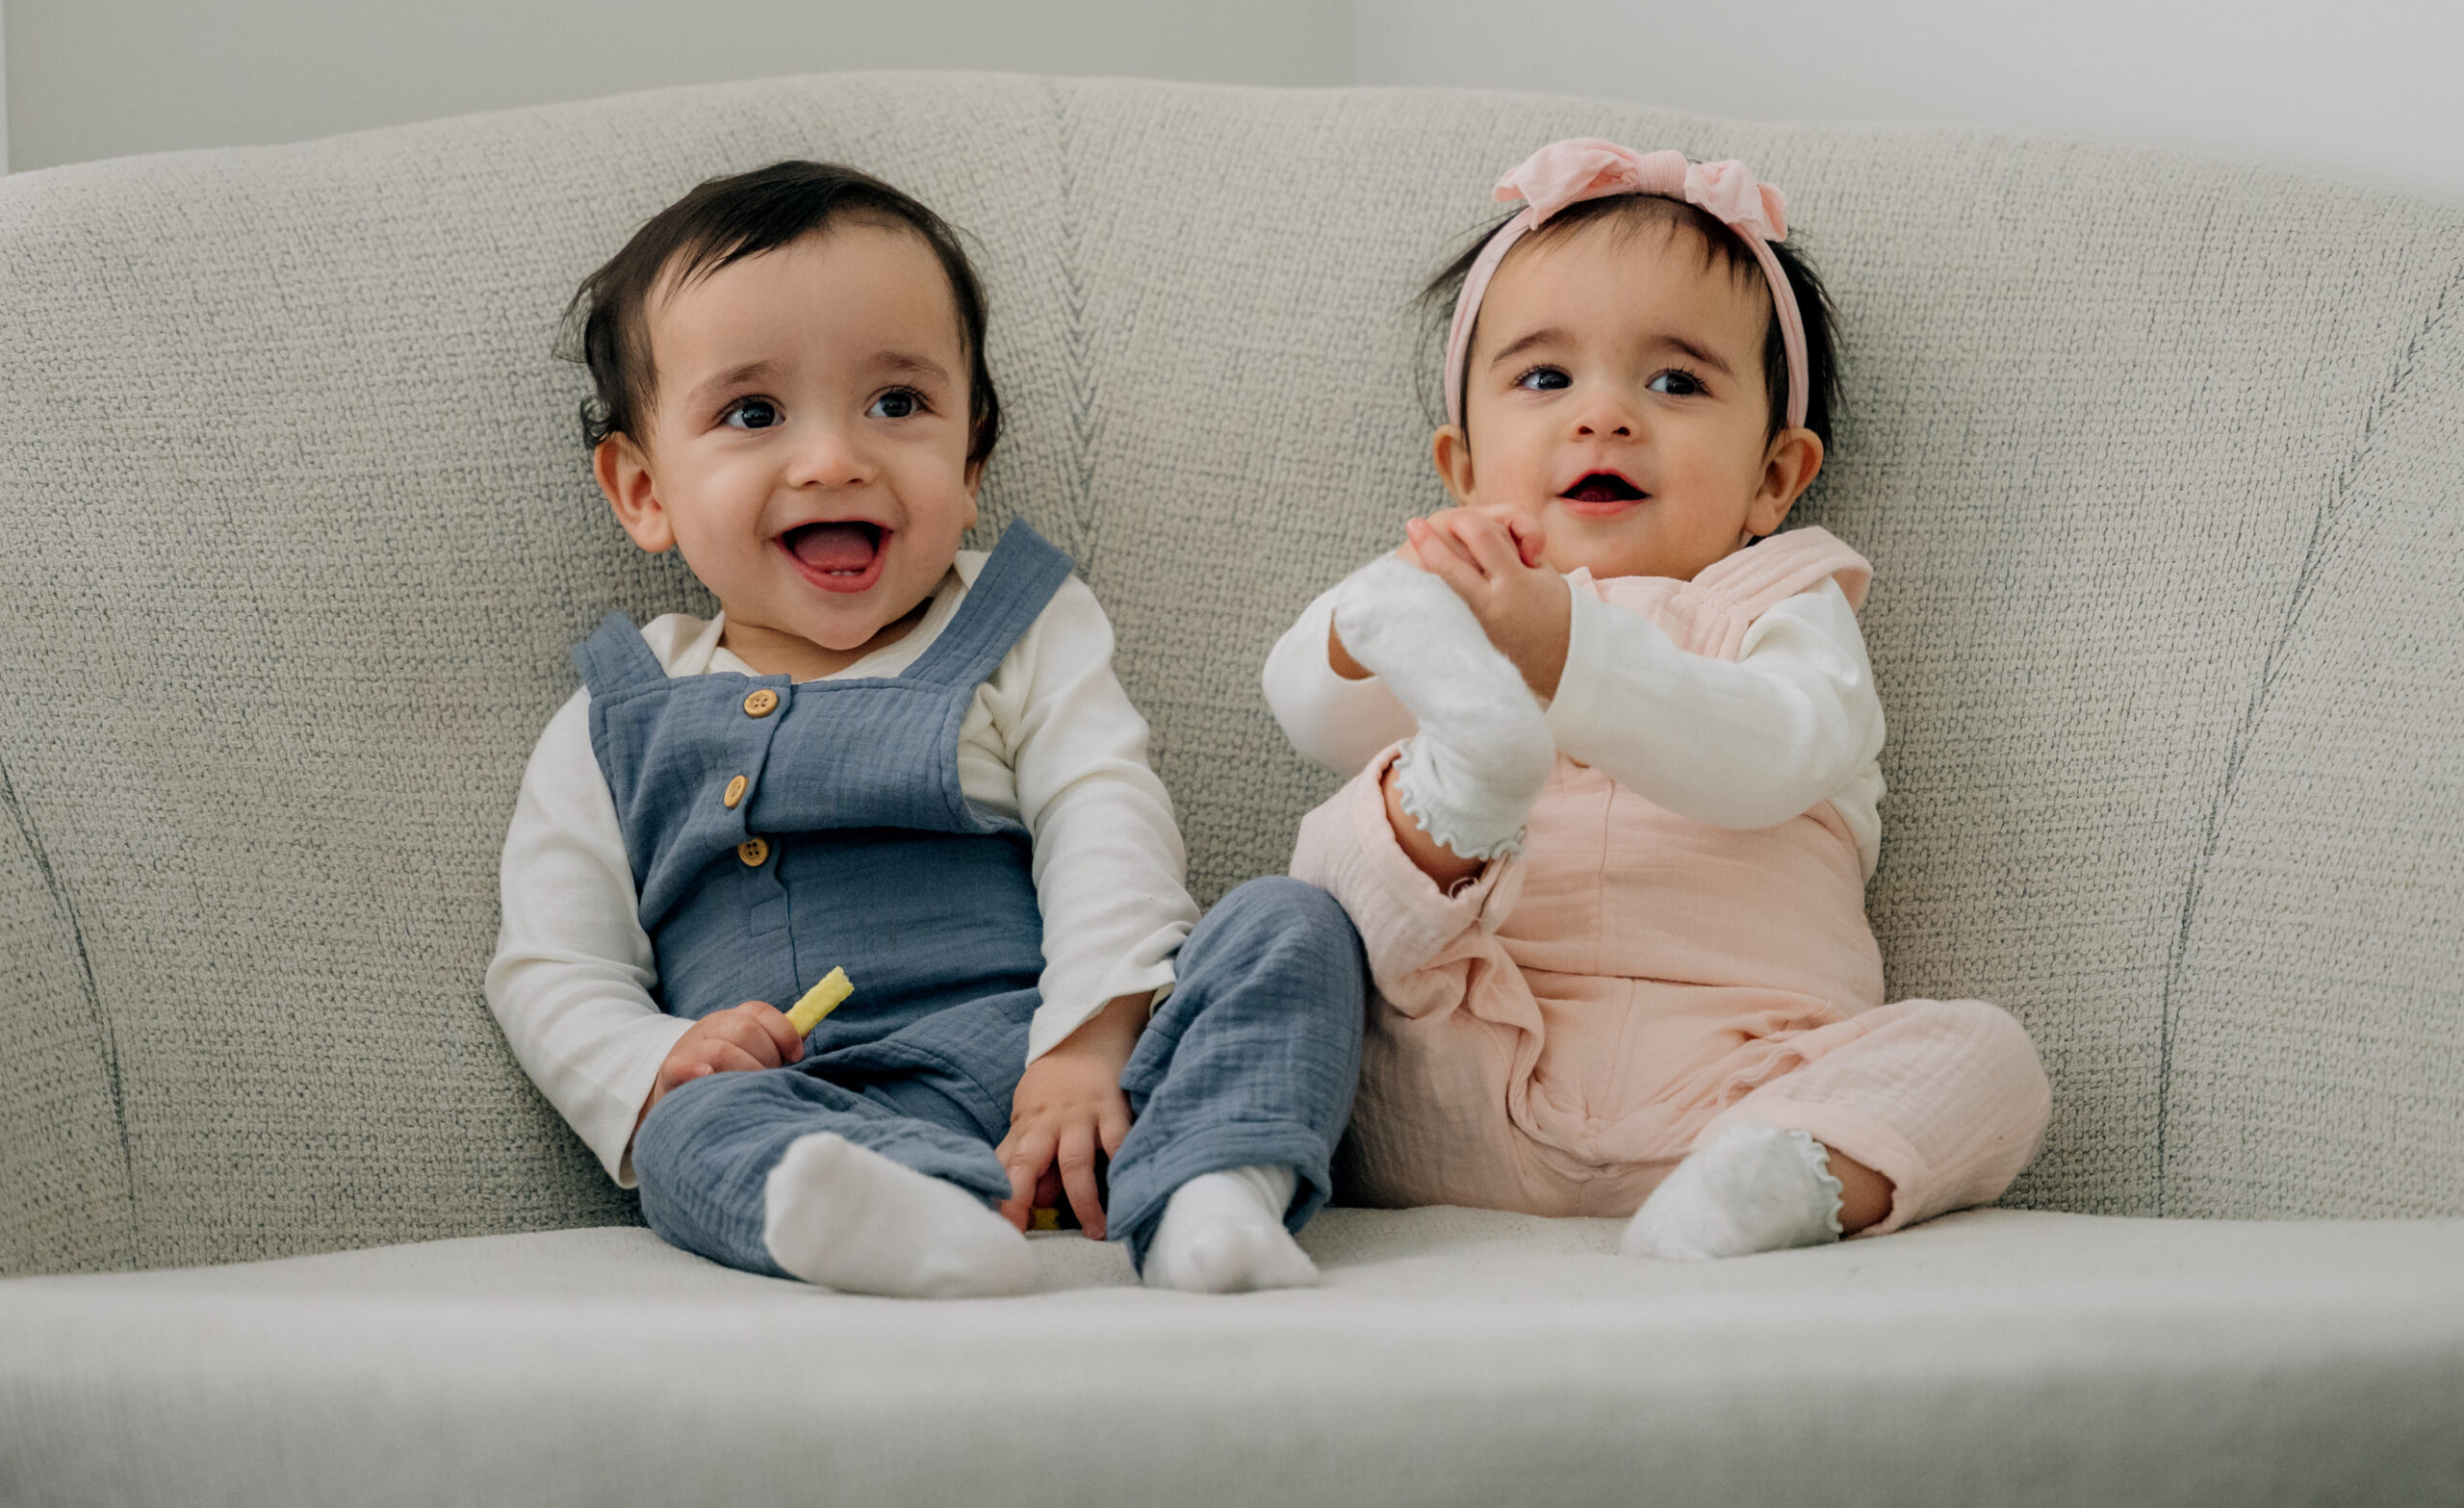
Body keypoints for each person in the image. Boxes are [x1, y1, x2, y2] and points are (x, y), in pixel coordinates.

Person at [489, 160, 1362, 1297]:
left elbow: (1105, 817)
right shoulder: (612, 717)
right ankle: (904, 1219)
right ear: (643, 489)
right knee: (688, 1133)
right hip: (815, 1096)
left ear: (971, 453)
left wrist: (1084, 1044)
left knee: (1294, 922)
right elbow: (552, 963)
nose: (834, 457)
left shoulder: (1018, 625)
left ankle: (1211, 1186)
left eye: (896, 404)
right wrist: (659, 1061)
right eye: (753, 413)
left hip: (1077, 1072)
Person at [1267, 139, 2047, 1259]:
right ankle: (1463, 785)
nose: (1605, 415)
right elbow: (1312, 717)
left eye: (1674, 381)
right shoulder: (1456, 606)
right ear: (1464, 466)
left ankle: (1775, 1181)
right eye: (1545, 378)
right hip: (1451, 1075)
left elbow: (1769, 755)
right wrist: (1372, 624)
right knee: (1337, 850)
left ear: (1774, 478)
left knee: (1989, 1058)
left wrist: (1566, 654)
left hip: (1738, 1081)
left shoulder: (1784, 601)